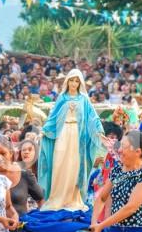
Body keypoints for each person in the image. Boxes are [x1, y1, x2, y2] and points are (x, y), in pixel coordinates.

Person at [39, 69, 105, 210]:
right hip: (62, 133)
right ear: (67, 81)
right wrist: (44, 130)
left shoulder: (83, 99)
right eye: (72, 80)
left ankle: (72, 198)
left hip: (77, 136)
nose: (74, 83)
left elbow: (93, 118)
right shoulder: (62, 97)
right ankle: (57, 198)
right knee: (59, 163)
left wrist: (99, 131)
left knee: (75, 165)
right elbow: (53, 117)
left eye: (77, 81)